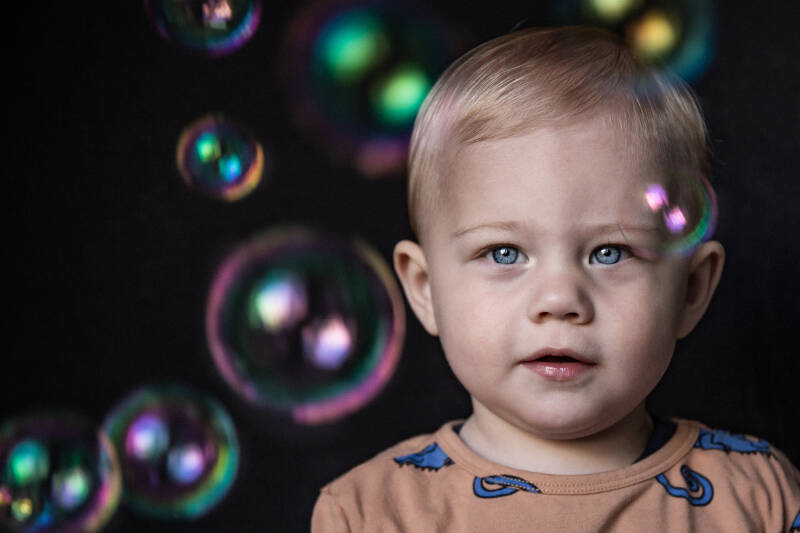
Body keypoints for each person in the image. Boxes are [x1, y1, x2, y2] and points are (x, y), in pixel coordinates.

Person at [311, 26, 800, 531]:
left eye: (610, 253)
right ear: (424, 289)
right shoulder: (370, 512)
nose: (560, 299)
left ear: (692, 290)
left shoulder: (757, 495)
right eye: (504, 252)